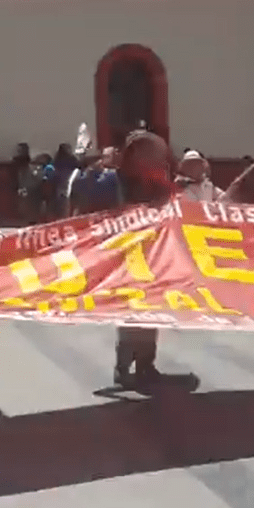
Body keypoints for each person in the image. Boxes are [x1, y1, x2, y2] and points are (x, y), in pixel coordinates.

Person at [97, 130, 186, 388]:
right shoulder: (113, 181)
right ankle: (122, 367)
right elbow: (97, 216)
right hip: (125, 255)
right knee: (130, 314)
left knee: (152, 313)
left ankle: (146, 365)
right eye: (143, 151)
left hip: (155, 255)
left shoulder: (160, 183)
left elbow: (176, 209)